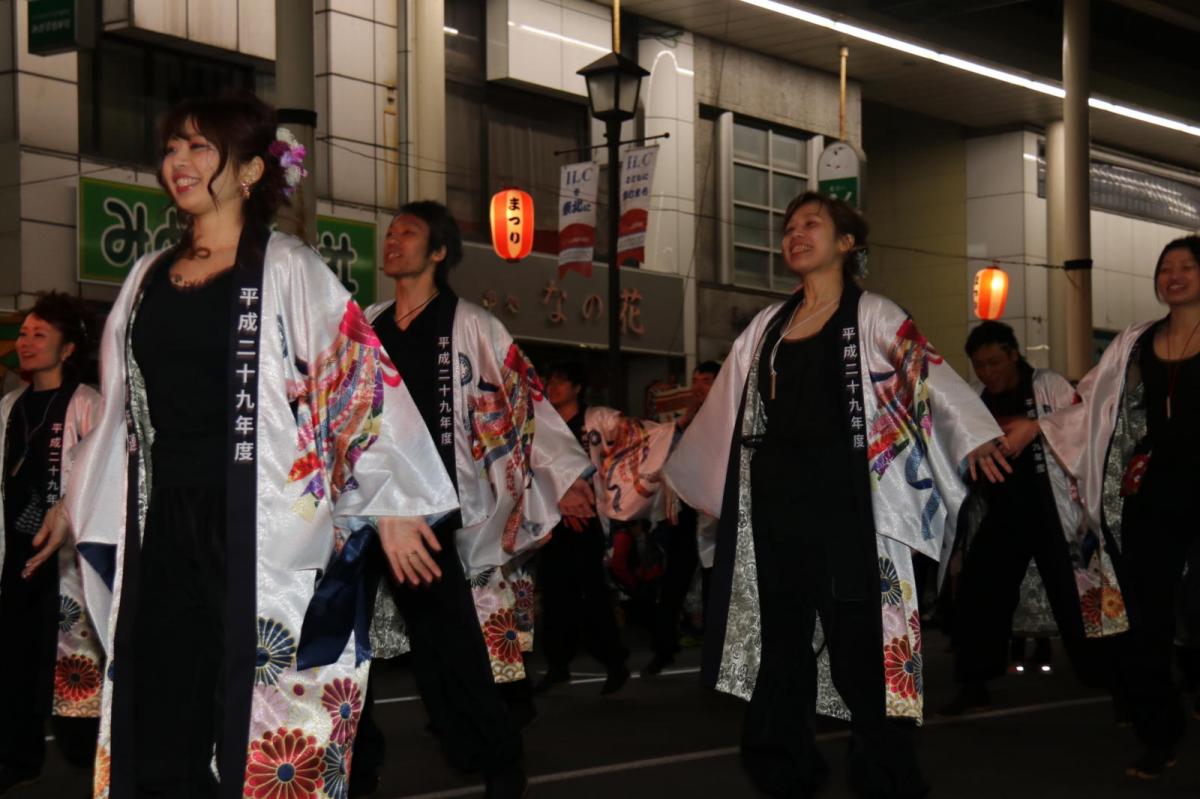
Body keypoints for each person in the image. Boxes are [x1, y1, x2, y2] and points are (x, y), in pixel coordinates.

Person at [46, 93, 458, 798]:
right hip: (160, 520)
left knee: (255, 707)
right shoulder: (146, 278)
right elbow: (120, 408)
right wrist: (73, 498)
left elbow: (351, 378)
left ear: (249, 171)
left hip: (260, 523)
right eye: (173, 146)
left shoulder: (289, 268)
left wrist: (390, 498)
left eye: (201, 147)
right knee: (160, 699)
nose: (179, 161)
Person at [664, 191, 1010, 799]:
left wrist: (973, 432)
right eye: (788, 227)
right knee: (780, 652)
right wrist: (685, 479)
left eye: (811, 225)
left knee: (863, 657)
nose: (795, 234)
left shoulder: (872, 314)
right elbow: (723, 415)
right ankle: (787, 776)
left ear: (847, 244)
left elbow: (923, 371)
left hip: (851, 513)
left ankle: (889, 781)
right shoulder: (766, 328)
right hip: (776, 512)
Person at [360, 201, 594, 796]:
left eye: (407, 233)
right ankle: (357, 763)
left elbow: (523, 403)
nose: (393, 242)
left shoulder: (470, 325)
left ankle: (498, 759)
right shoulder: (368, 323)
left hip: (432, 512)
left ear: (438, 252)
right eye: (389, 233)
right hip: (366, 508)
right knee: (341, 641)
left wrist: (562, 477)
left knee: (449, 649)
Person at [1005, 235, 1200, 779]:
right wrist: (1037, 426)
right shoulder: (1137, 342)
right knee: (1144, 622)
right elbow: (1089, 402)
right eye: (1166, 267)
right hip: (1156, 489)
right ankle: (1159, 736)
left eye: (1188, 265)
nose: (1175, 275)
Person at [939, 321, 1110, 717]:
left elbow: (1086, 425)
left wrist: (1039, 428)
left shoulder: (1047, 385)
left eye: (995, 362)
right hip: (1002, 513)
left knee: (1077, 598)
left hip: (1052, 510)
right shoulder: (977, 399)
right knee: (978, 594)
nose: (988, 372)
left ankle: (1106, 677)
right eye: (980, 365)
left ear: (1014, 355)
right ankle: (974, 681)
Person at [0, 293, 102, 794]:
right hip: (14, 553)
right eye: (23, 333)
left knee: (76, 656)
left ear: (67, 349)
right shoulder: (9, 406)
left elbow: (103, 479)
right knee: (15, 658)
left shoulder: (87, 404)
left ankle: (87, 754)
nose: (26, 341)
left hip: (69, 560)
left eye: (40, 334)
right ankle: (19, 757)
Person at [535, 362, 631, 695]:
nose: (553, 385)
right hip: (550, 519)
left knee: (591, 593)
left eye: (562, 379)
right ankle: (558, 664)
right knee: (554, 594)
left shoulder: (598, 420)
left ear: (578, 387)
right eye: (550, 379)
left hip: (587, 518)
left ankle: (614, 661)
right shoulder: (540, 424)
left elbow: (634, 440)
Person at [644, 360, 721, 677]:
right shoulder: (678, 417)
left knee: (714, 587)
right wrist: (686, 419)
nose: (699, 385)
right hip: (680, 509)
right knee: (673, 583)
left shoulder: (726, 413)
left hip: (713, 511)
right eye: (696, 379)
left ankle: (715, 661)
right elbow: (661, 452)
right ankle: (663, 648)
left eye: (707, 379)